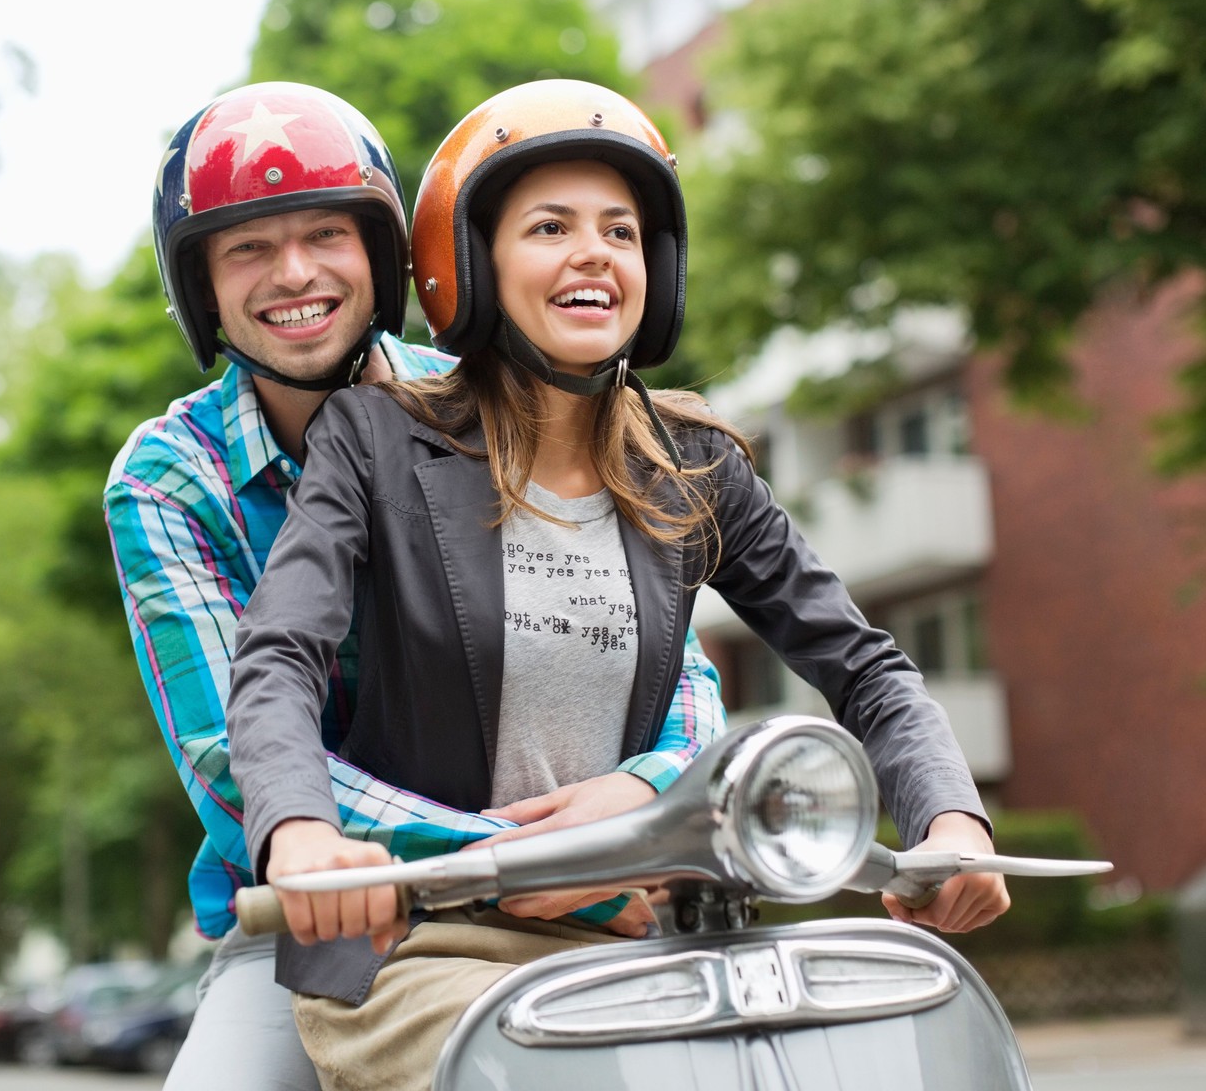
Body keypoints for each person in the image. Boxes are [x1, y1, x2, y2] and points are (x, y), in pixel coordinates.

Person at [228, 79, 1010, 1091]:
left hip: (638, 938)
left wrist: (952, 819)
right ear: (468, 263)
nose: (594, 251)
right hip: (418, 949)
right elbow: (279, 650)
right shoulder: (375, 438)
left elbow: (863, 664)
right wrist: (299, 832)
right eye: (550, 226)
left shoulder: (693, 464)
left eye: (623, 231)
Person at [105, 81, 729, 1091]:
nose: (294, 272)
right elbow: (233, 756)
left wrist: (646, 796)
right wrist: (528, 859)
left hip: (586, 886)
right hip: (325, 915)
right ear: (202, 288)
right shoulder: (169, 476)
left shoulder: (492, 400)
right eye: (248, 248)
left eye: (325, 235)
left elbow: (663, 648)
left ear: (390, 256)